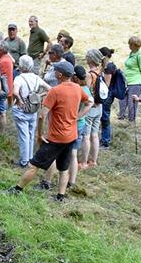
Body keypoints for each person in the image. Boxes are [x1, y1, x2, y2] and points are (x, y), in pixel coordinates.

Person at [8, 61, 90, 202]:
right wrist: (78, 116)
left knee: (34, 165)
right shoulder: (77, 88)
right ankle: (60, 196)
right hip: (71, 136)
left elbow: (42, 115)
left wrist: (39, 135)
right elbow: (89, 102)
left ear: (59, 74)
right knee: (63, 169)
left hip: (55, 137)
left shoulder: (55, 91)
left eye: (55, 70)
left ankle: (17, 189)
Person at [12, 55, 50, 168]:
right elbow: (50, 89)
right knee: (30, 134)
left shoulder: (19, 78)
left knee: (23, 135)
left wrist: (19, 99)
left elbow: (14, 91)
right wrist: (39, 95)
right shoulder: (36, 77)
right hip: (33, 110)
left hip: (21, 110)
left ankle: (24, 161)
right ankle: (30, 158)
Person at [68, 66, 94, 189]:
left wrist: (77, 116)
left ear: (75, 78)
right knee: (73, 153)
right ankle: (71, 181)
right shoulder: (86, 89)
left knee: (68, 153)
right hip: (81, 124)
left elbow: (89, 104)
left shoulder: (78, 90)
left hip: (73, 125)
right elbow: (91, 103)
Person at [79, 48, 105, 169]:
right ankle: (93, 161)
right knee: (95, 135)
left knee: (86, 135)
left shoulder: (89, 75)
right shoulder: (101, 71)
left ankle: (84, 162)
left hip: (90, 108)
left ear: (90, 59)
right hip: (99, 107)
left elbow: (87, 92)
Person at [120, 36, 141, 122]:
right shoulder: (132, 54)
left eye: (131, 44)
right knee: (122, 100)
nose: (129, 46)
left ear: (135, 45)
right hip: (127, 81)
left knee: (131, 102)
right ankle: (122, 116)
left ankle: (131, 120)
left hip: (136, 82)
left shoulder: (139, 55)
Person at [99, 46, 116, 149]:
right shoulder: (107, 66)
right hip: (106, 95)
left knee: (105, 118)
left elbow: (106, 84)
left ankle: (106, 141)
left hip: (106, 95)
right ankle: (104, 139)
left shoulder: (108, 67)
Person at [0, 43, 15, 131]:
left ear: (1, 50)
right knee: (2, 110)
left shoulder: (2, 61)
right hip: (7, 87)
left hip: (2, 89)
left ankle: (1, 131)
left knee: (1, 111)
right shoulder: (8, 58)